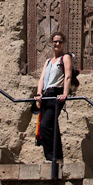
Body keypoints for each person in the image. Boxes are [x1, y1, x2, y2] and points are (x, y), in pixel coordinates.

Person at [35, 33, 72, 163]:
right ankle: (57, 157)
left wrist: (65, 94)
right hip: (46, 95)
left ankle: (51, 157)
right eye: (55, 41)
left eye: (60, 42)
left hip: (56, 94)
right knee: (50, 126)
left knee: (46, 125)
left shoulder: (65, 57)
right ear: (51, 42)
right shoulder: (48, 61)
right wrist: (39, 93)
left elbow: (67, 76)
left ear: (63, 43)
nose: (57, 44)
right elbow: (42, 78)